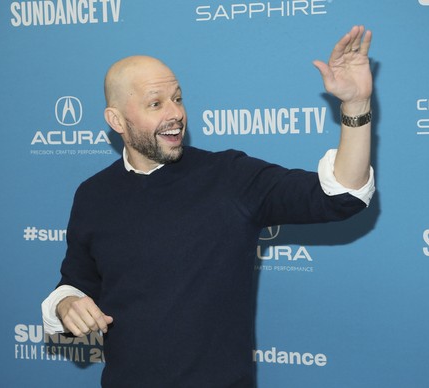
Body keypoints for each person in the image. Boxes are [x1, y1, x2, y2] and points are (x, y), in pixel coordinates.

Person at [42, 25, 376, 387]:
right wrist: (65, 306)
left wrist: (355, 106)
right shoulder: (94, 194)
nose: (175, 114)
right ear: (116, 120)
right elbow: (75, 284)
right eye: (156, 104)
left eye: (178, 98)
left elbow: (343, 195)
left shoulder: (230, 176)